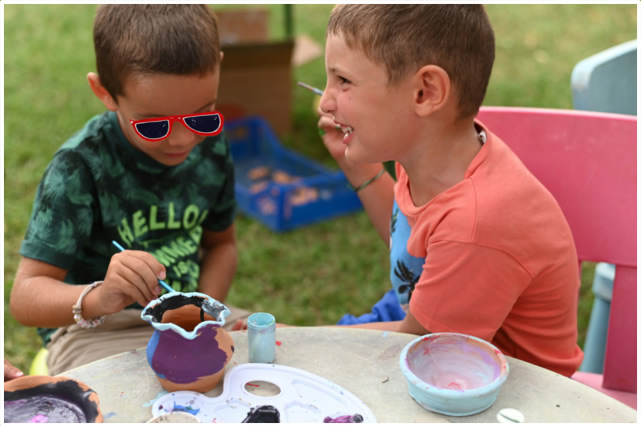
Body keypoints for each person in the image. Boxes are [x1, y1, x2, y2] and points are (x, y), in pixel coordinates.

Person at [317, 4, 583, 377]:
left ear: (425, 93)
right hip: (431, 336)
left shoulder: (476, 222)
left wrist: (302, 339)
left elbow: (417, 349)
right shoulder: (435, 157)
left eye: (343, 81)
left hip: (502, 392)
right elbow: (409, 250)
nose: (326, 101)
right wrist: (356, 165)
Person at [10, 5, 249, 376]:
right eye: (154, 125)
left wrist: (203, 313)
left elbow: (222, 245)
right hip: (99, 330)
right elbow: (25, 297)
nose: (183, 139)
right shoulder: (80, 166)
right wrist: (101, 295)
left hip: (191, 316)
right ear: (105, 92)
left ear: (218, 66)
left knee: (271, 355)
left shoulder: (211, 145)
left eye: (201, 115)